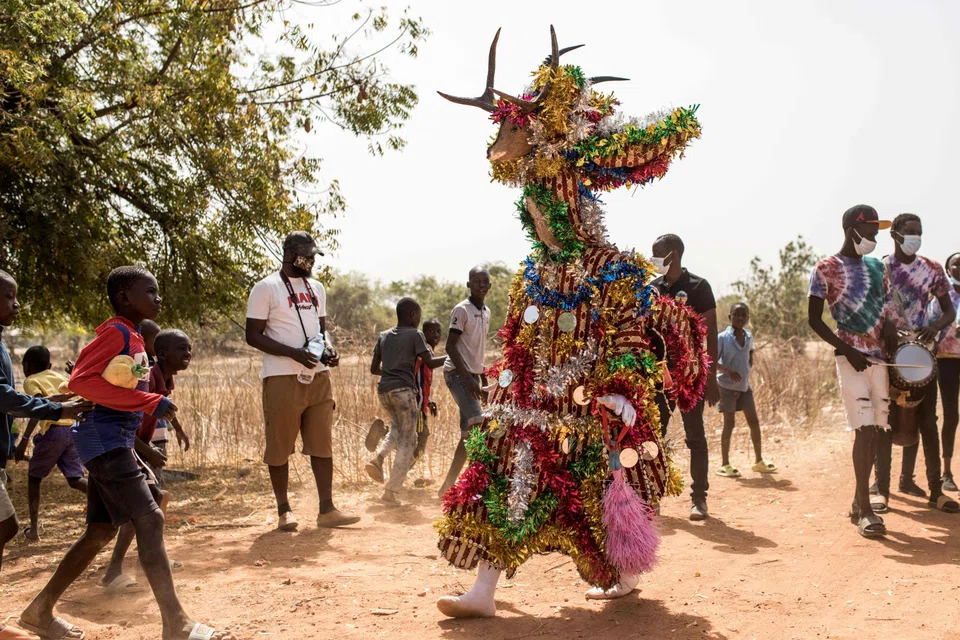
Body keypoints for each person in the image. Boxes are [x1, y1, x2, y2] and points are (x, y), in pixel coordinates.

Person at [18, 266, 236, 640]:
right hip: (103, 441)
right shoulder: (118, 332)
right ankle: (176, 624)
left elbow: (104, 387)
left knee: (101, 530)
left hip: (112, 440)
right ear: (124, 298)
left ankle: (39, 611)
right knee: (150, 518)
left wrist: (144, 411)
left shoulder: (132, 336)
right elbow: (81, 381)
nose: (158, 298)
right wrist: (150, 400)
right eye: (149, 292)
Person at [245, 230, 358, 531]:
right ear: (290, 252)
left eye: (314, 255)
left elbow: (322, 330)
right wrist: (294, 354)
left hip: (319, 377)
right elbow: (252, 335)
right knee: (280, 445)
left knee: (322, 443)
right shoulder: (266, 288)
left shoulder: (317, 287)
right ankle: (284, 511)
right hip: (282, 376)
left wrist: (330, 350)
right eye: (308, 254)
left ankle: (327, 510)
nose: (312, 260)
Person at [807, 204, 899, 538]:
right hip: (850, 359)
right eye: (871, 230)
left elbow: (886, 307)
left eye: (877, 230)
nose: (875, 236)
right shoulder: (827, 267)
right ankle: (866, 508)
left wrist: (889, 328)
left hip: (878, 358)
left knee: (875, 428)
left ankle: (859, 501)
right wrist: (847, 349)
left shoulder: (878, 266)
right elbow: (814, 319)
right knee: (863, 427)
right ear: (852, 229)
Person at [0, 271, 92, 579]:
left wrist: (28, 436)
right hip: (68, 430)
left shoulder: (10, 353)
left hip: (53, 431)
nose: (17, 304)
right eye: (9, 297)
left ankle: (38, 528)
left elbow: (19, 401)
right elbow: (6, 397)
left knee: (23, 500)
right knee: (7, 526)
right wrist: (61, 407)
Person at [872, 214, 958, 513]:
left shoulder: (932, 268)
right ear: (894, 234)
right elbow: (871, 308)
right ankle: (880, 490)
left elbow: (948, 311)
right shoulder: (879, 268)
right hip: (887, 358)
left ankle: (936, 491)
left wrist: (935, 327)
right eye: (910, 232)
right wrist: (883, 326)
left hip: (921, 355)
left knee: (927, 423)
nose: (916, 238)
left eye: (919, 233)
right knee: (884, 421)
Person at [99, 328, 193, 593]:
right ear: (161, 354)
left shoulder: (166, 378)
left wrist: (179, 429)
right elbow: (124, 422)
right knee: (143, 509)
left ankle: (148, 559)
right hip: (122, 445)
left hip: (132, 445)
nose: (188, 353)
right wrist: (147, 451)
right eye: (182, 349)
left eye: (189, 349)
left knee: (152, 504)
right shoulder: (148, 377)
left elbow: (165, 406)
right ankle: (114, 572)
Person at [651, 234, 719, 520]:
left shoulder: (699, 287)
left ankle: (699, 499)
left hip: (690, 375)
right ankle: (651, 495)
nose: (654, 260)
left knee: (695, 438)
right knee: (655, 437)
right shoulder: (652, 289)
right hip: (659, 376)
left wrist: (712, 377)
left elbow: (711, 333)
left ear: (674, 255)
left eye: (658, 255)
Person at [366, 300, 446, 505]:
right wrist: (453, 357)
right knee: (408, 442)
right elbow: (429, 362)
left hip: (384, 391)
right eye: (418, 316)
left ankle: (378, 458)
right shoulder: (415, 334)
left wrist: (392, 372)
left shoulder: (383, 335)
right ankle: (391, 492)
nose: (419, 320)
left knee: (397, 430)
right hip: (404, 392)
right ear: (412, 315)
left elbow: (374, 368)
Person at [13, 346, 88, 542]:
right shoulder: (59, 377)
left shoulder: (31, 380)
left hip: (54, 432)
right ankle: (107, 503)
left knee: (34, 478)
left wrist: (25, 439)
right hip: (73, 431)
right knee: (75, 480)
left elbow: (38, 408)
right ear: (50, 365)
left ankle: (35, 530)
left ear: (26, 366)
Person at [437, 267, 491, 499]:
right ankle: (474, 486)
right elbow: (450, 347)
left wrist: (483, 381)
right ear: (468, 284)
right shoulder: (462, 310)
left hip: (473, 376)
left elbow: (477, 352)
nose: (480, 285)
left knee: (468, 435)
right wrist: (469, 379)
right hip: (457, 374)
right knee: (479, 424)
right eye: (475, 281)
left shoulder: (486, 311)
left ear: (489, 286)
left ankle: (448, 488)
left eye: (484, 281)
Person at [365, 318, 442, 461]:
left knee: (407, 435)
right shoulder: (424, 351)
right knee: (421, 439)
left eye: (438, 331)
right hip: (416, 406)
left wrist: (428, 400)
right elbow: (411, 373)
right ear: (422, 334)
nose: (436, 335)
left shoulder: (424, 351)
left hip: (418, 402)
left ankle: (384, 433)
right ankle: (400, 471)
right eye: (431, 331)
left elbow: (419, 380)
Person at [714, 303, 776, 478]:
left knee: (754, 422)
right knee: (729, 425)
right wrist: (727, 370)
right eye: (736, 314)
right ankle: (724, 464)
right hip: (726, 388)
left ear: (748, 318)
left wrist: (748, 364)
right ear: (729, 317)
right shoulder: (722, 338)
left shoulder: (748, 336)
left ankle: (759, 461)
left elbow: (750, 353)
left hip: (744, 387)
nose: (740, 318)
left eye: (743, 315)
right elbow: (711, 362)